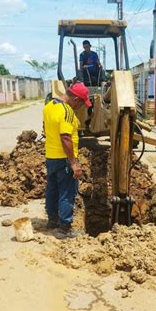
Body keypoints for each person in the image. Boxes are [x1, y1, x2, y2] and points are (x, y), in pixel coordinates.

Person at [43, 83, 92, 239]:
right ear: (75, 99)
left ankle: (52, 220)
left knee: (52, 188)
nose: (82, 106)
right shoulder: (67, 111)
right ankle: (65, 228)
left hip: (51, 156)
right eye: (82, 103)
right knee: (67, 192)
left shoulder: (49, 106)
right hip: (64, 159)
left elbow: (46, 128)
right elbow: (65, 137)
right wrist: (73, 162)